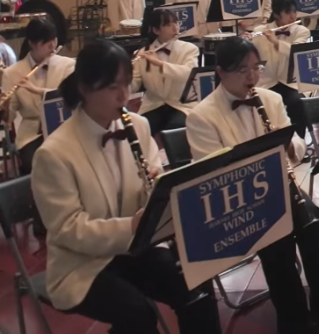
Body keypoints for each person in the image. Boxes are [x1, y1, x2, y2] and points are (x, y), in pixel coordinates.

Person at [31, 40, 221, 334]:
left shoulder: (138, 126)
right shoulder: (54, 153)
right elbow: (69, 229)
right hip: (82, 264)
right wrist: (131, 226)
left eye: (126, 84)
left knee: (195, 280)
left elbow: (149, 190)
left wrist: (158, 190)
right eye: (111, 87)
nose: (124, 95)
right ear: (84, 88)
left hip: (136, 248)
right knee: (137, 313)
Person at [187, 38, 319, 332]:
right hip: (239, 200)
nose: (252, 77)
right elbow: (212, 173)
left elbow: (298, 146)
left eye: (256, 68)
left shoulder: (271, 99)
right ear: (221, 72)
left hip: (278, 184)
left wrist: (286, 142)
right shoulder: (201, 116)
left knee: (312, 223)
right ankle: (293, 317)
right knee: (277, 241)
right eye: (242, 70)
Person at [3, 18, 75, 174]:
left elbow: (71, 96)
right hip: (33, 134)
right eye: (46, 42)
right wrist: (5, 108)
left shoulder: (68, 65)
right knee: (36, 165)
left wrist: (37, 90)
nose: (53, 45)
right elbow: (8, 117)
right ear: (32, 43)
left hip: (65, 128)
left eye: (54, 40)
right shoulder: (12, 73)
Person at [251, 0, 312, 141]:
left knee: (297, 104)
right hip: (267, 82)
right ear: (277, 14)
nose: (292, 16)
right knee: (259, 105)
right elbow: (251, 58)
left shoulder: (301, 31)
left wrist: (276, 42)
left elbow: (297, 52)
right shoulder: (260, 30)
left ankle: (300, 144)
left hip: (289, 82)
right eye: (287, 12)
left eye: (294, 12)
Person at [131, 9, 197, 135]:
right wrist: (124, 78)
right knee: (137, 130)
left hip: (180, 104)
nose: (175, 28)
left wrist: (160, 64)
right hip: (154, 104)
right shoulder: (142, 53)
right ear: (156, 30)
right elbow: (135, 84)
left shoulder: (189, 49)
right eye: (167, 25)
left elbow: (188, 74)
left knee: (174, 129)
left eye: (176, 23)